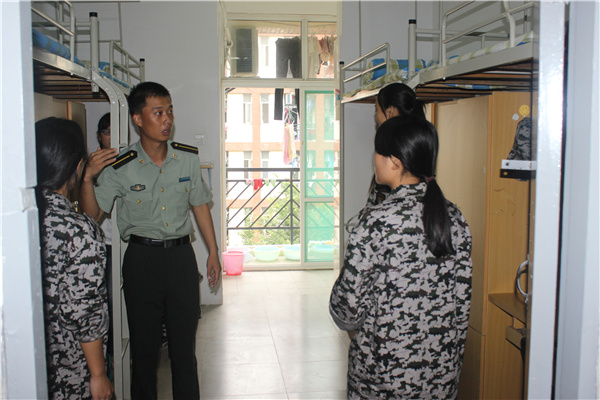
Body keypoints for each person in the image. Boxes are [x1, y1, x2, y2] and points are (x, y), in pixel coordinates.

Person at [80, 81, 221, 400]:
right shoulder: (121, 165)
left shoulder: (186, 158)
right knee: (144, 353)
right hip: (142, 261)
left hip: (181, 259)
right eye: (158, 113)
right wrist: (88, 178)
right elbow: (92, 215)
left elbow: (199, 204)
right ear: (138, 119)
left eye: (169, 111)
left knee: (184, 352)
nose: (167, 119)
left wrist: (213, 252)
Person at [329, 115, 473, 399]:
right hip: (440, 374)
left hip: (383, 378)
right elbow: (462, 299)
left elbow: (347, 304)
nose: (374, 159)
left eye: (377, 152)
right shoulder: (454, 217)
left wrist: (354, 328)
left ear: (394, 162)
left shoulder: (376, 221)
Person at [35, 117, 114, 400]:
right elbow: (85, 313)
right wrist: (98, 374)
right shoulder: (79, 231)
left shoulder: (19, 220)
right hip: (68, 369)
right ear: (78, 166)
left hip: (26, 363)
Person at [368, 82, 426, 206]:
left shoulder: (390, 155)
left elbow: (379, 207)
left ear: (390, 112)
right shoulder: (419, 142)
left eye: (377, 110)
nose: (376, 116)